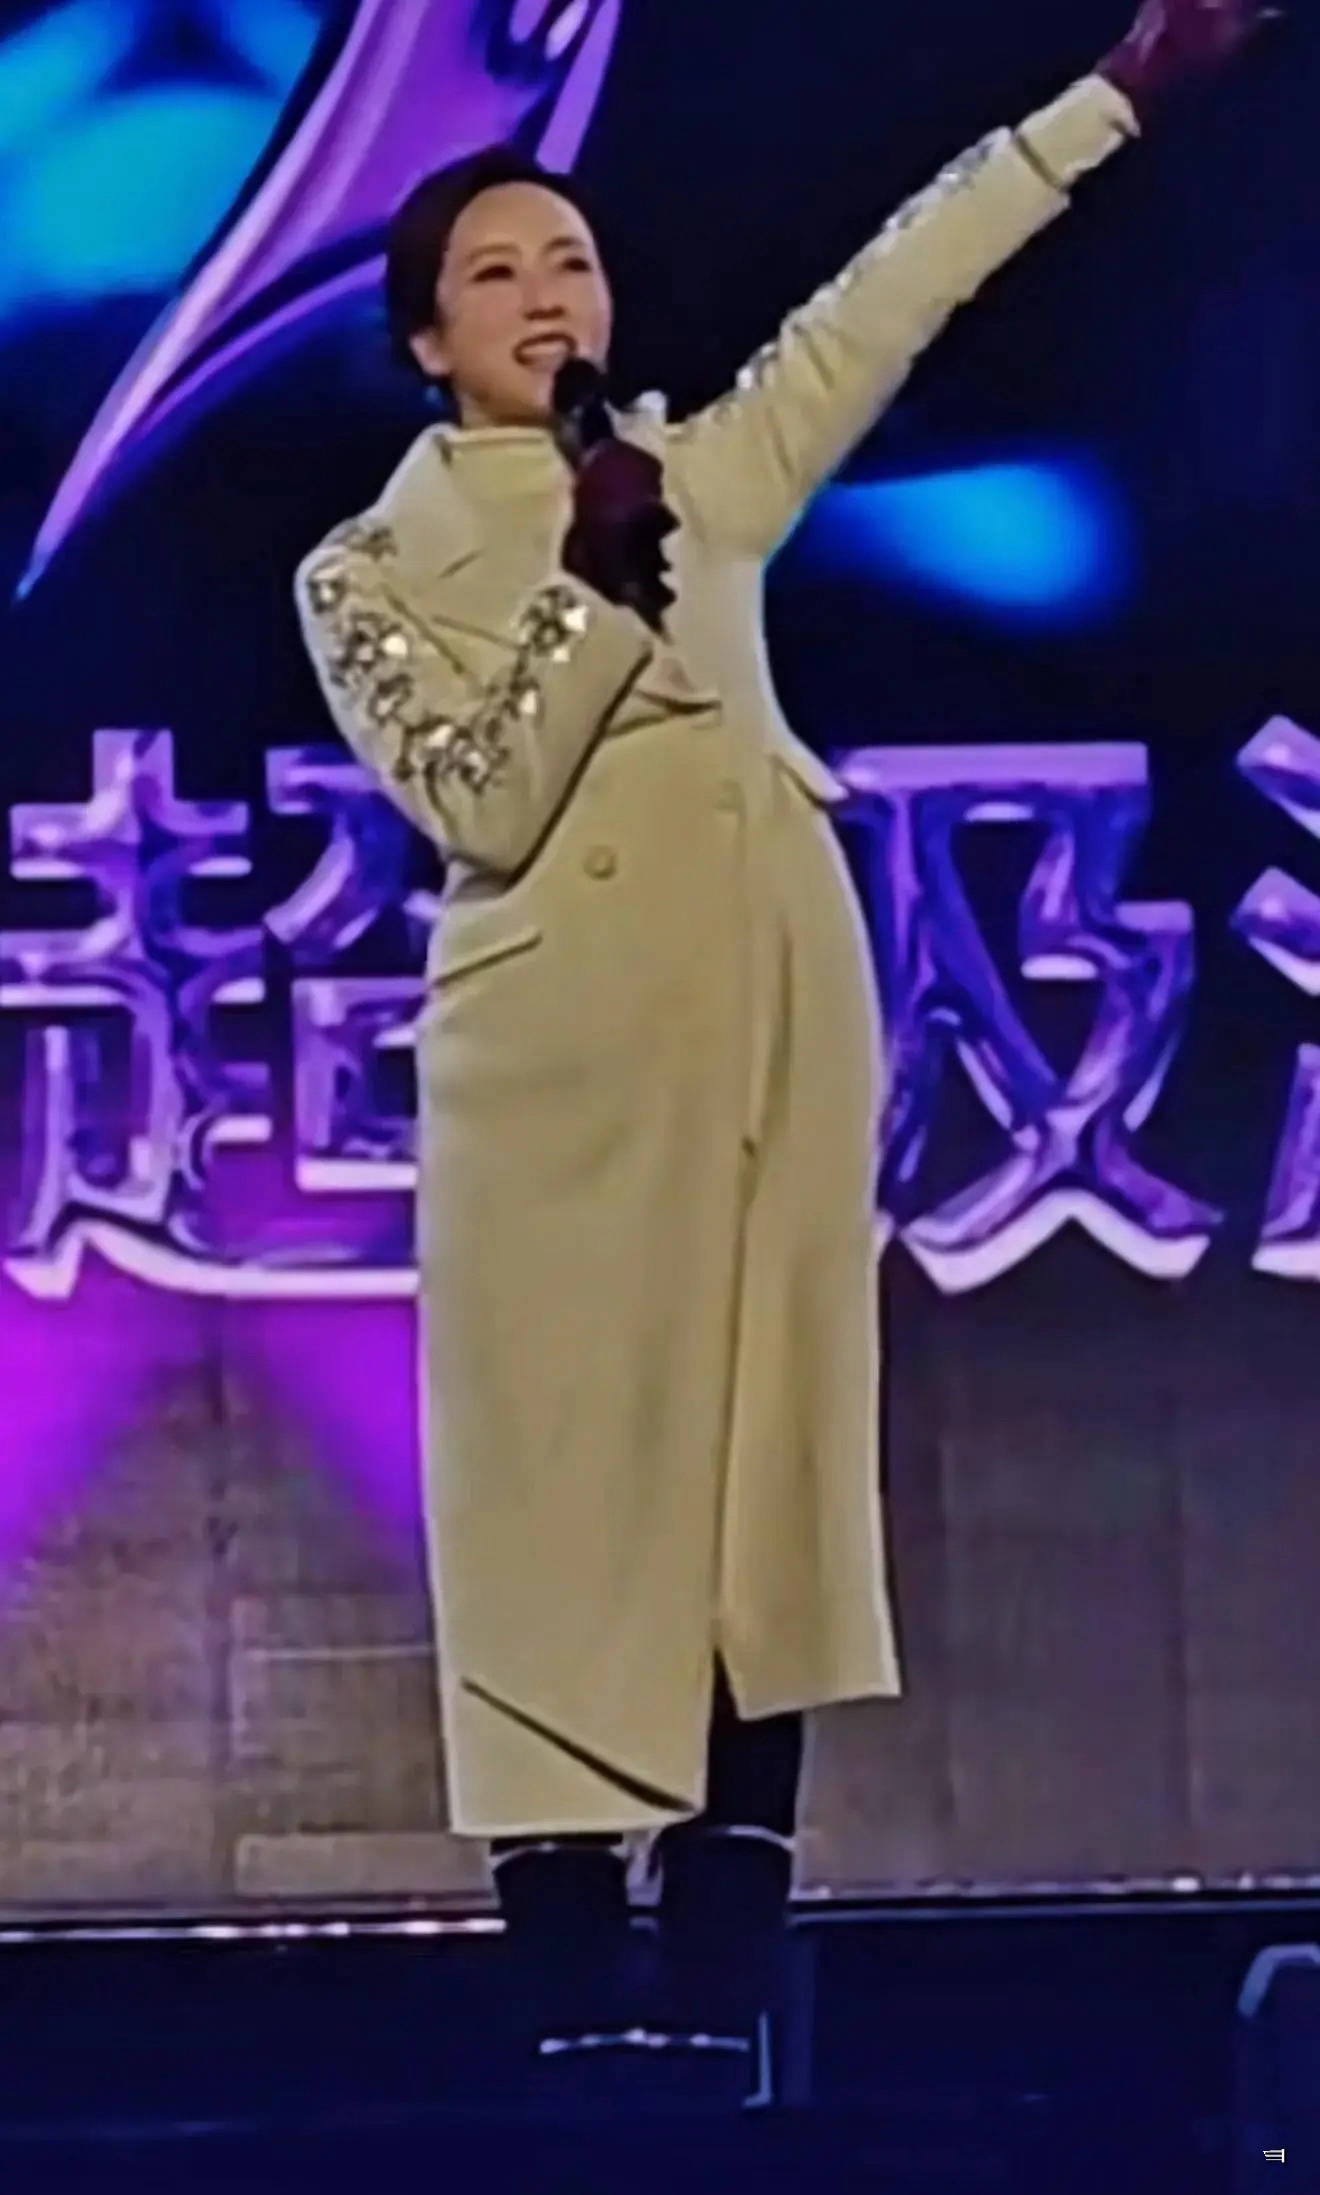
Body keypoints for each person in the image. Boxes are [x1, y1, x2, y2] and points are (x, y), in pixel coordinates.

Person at [295, 0, 1272, 2104]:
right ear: (427, 342)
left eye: (569, 261)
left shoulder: (706, 473)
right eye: (496, 273)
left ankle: (729, 1943)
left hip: (764, 1019)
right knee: (564, 1476)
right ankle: (568, 1952)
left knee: (763, 1466)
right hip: (551, 1065)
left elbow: (898, 284)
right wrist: (588, 589)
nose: (547, 296)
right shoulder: (366, 567)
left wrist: (1114, 98)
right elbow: (480, 800)